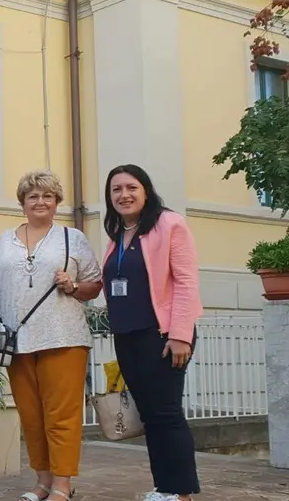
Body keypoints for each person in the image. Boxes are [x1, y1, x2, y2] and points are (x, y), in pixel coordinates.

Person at [0, 171, 103, 501]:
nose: (40, 202)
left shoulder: (72, 238)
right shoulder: (4, 240)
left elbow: (94, 285)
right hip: (15, 342)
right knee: (31, 417)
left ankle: (62, 484)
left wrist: (73, 286)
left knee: (61, 416)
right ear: (22, 203)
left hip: (63, 338)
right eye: (33, 196)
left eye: (47, 196)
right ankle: (43, 481)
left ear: (57, 202)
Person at [102, 164, 202, 501]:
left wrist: (180, 334)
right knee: (149, 415)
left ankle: (181, 491)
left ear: (145, 190)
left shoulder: (169, 224)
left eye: (131, 187)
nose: (124, 195)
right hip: (127, 335)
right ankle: (164, 488)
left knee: (166, 413)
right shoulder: (119, 233)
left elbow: (186, 281)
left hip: (162, 335)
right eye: (116, 190)